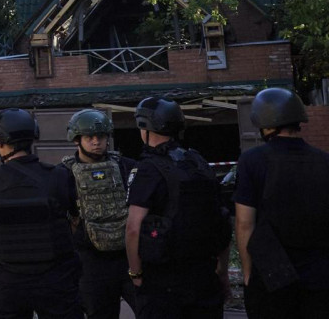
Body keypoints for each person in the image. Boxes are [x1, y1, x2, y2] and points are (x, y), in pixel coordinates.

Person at [125, 96, 231, 319]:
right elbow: (221, 219)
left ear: (145, 127)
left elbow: (133, 227)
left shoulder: (148, 168)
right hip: (205, 274)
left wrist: (135, 273)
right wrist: (222, 270)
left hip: (163, 281)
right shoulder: (197, 162)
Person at [0, 108, 82, 319]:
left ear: (0, 141)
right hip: (55, 279)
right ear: (33, 137)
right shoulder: (59, 176)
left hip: (8, 283)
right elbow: (75, 219)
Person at [233, 88, 329, 318]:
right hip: (320, 275)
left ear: (265, 124)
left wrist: (248, 273)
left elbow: (244, 223)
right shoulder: (324, 160)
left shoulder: (252, 160)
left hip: (271, 275)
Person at [61, 108, 137, 318]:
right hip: (90, 262)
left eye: (101, 136)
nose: (96, 141)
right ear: (77, 139)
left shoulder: (125, 166)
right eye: (89, 137)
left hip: (128, 257)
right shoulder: (64, 174)